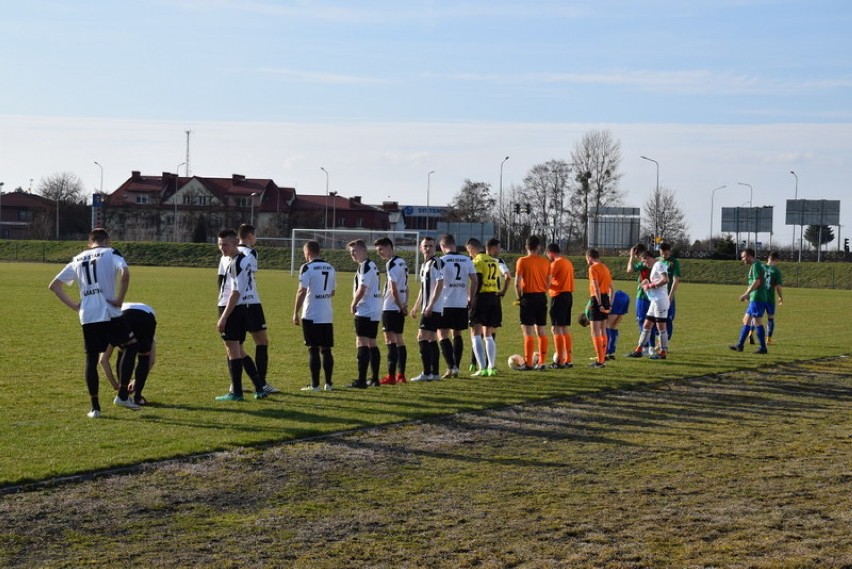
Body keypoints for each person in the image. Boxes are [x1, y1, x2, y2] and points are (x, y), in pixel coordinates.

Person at [49, 228, 141, 418]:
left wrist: (75, 306)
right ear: (107, 240)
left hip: (88, 316)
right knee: (131, 346)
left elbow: (54, 286)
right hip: (108, 312)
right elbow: (125, 272)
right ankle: (123, 395)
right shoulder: (111, 252)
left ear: (89, 243)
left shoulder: (78, 258)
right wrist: (119, 299)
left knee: (91, 360)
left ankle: (95, 408)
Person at [215, 229, 272, 401]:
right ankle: (259, 387)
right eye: (219, 245)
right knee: (238, 349)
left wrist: (224, 316)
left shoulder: (235, 262)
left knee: (232, 350)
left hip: (231, 307)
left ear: (234, 243)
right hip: (241, 308)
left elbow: (235, 292)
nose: (222, 248)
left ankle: (236, 392)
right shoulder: (243, 259)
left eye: (225, 244)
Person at [237, 224, 279, 395]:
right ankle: (261, 383)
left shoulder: (227, 254)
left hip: (233, 303)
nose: (256, 239)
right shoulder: (251, 253)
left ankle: (235, 384)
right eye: (255, 236)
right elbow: (250, 276)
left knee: (235, 346)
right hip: (251, 302)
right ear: (249, 237)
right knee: (262, 342)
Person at [293, 240, 336, 391]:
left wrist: (295, 312)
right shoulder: (330, 267)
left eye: (305, 253)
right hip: (327, 313)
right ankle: (329, 384)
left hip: (312, 313)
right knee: (326, 349)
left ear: (308, 252)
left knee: (313, 349)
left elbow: (302, 290)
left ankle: (315, 385)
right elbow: (332, 292)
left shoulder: (307, 267)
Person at [99, 302, 157, 406]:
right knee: (144, 356)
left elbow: (103, 360)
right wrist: (136, 381)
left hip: (122, 316)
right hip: (146, 317)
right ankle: (137, 397)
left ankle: (123, 393)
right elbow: (151, 360)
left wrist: (116, 385)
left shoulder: (110, 326)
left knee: (124, 351)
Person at [437, 234, 477, 378]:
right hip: (461, 303)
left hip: (446, 302)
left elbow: (438, 283)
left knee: (442, 334)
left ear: (442, 246)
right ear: (454, 244)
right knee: (457, 333)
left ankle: (451, 366)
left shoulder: (441, 260)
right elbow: (475, 280)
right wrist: (471, 298)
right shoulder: (467, 259)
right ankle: (457, 367)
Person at [348, 239, 383, 388]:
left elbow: (362, 288)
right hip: (375, 308)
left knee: (361, 342)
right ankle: (374, 379)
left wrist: (353, 303)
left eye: (354, 251)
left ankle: (361, 380)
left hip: (366, 309)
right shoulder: (372, 265)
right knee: (372, 342)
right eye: (351, 252)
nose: (352, 254)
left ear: (363, 250)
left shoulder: (365, 267)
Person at [409, 236, 444, 381]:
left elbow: (439, 284)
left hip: (433, 308)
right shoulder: (425, 265)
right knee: (430, 339)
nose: (428, 248)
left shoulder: (437, 262)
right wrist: (416, 306)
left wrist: (430, 305)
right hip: (427, 307)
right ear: (420, 248)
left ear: (435, 247)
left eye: (430, 245)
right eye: (425, 246)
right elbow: (424, 289)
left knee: (421, 337)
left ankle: (426, 372)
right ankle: (434, 373)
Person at [374, 237, 409, 385]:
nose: (379, 253)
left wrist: (400, 306)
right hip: (400, 306)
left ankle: (391, 376)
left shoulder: (391, 264)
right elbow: (406, 287)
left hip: (390, 306)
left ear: (389, 247)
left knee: (390, 341)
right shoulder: (403, 262)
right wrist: (405, 304)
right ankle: (401, 375)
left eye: (381, 249)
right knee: (399, 340)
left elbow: (393, 289)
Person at [514, 235, 551, 370]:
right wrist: (543, 290)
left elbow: (517, 283)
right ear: (539, 247)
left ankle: (528, 363)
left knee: (527, 331)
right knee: (541, 330)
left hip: (528, 297)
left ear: (526, 247)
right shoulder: (546, 262)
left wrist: (519, 298)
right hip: (541, 297)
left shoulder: (522, 261)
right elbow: (549, 281)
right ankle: (542, 362)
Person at [466, 238, 500, 377]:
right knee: (488, 335)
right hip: (494, 297)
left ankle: (482, 368)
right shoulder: (493, 261)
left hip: (481, 298)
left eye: (469, 251)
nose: (469, 254)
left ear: (472, 248)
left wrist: (471, 298)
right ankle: (491, 367)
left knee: (475, 333)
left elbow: (477, 281)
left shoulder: (477, 261)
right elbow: (497, 280)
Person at [626, 251, 670, 360]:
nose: (644, 264)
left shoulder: (659, 265)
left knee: (661, 327)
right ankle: (639, 350)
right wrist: (647, 283)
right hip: (655, 301)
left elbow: (665, 279)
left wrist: (650, 285)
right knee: (646, 325)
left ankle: (663, 352)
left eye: (644, 262)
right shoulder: (655, 266)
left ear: (649, 258)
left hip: (660, 301)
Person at [730, 248, 770, 354]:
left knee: (757, 321)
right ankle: (740, 345)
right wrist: (748, 294)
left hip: (757, 297)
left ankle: (763, 347)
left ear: (749, 256)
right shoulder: (759, 264)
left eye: (743, 257)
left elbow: (757, 281)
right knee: (746, 320)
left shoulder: (756, 265)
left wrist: (747, 293)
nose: (742, 259)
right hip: (755, 296)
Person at [545, 242, 574, 369]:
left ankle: (560, 361)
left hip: (558, 296)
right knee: (564, 328)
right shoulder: (567, 262)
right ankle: (568, 359)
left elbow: (547, 280)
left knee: (556, 328)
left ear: (550, 253)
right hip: (568, 296)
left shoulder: (555, 263)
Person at [585, 248, 613, 368]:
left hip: (597, 299)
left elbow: (595, 287)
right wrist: (609, 304)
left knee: (595, 331)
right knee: (603, 330)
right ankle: (602, 359)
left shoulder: (593, 268)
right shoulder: (605, 268)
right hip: (606, 297)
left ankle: (600, 361)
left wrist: (599, 304)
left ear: (589, 257)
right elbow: (613, 289)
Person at [626, 243, 652, 354]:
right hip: (652, 295)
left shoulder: (643, 263)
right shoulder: (654, 260)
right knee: (651, 321)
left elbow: (629, 270)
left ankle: (645, 347)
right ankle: (652, 346)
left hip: (643, 295)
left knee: (642, 320)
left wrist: (631, 257)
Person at [656, 242, 681, 345]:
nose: (663, 255)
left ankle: (665, 343)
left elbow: (676, 279)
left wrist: (670, 295)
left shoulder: (673, 262)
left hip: (667, 295)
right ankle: (659, 342)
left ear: (669, 251)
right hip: (657, 296)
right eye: (662, 253)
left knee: (668, 319)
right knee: (656, 318)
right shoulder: (657, 261)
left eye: (665, 253)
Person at [764, 251, 784, 344]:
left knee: (756, 317)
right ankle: (768, 339)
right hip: (770, 298)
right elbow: (778, 287)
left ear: (768, 258)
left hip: (758, 297)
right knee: (770, 318)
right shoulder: (776, 271)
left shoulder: (760, 267)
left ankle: (750, 333)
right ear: (776, 260)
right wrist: (780, 297)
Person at [605, 290, 630, 360]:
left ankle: (605, 353)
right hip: (625, 296)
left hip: (615, 298)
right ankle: (611, 353)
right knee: (613, 327)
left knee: (607, 327)